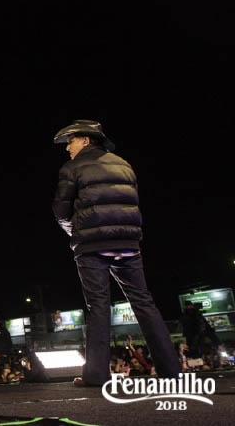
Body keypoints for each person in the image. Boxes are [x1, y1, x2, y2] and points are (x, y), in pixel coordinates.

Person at [51, 120, 181, 387]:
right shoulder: (124, 164)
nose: (68, 148)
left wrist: (74, 232)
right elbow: (130, 202)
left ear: (86, 140)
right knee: (144, 302)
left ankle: (97, 376)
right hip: (128, 244)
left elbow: (60, 209)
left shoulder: (72, 167)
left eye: (71, 141)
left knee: (98, 306)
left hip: (91, 246)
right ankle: (171, 371)